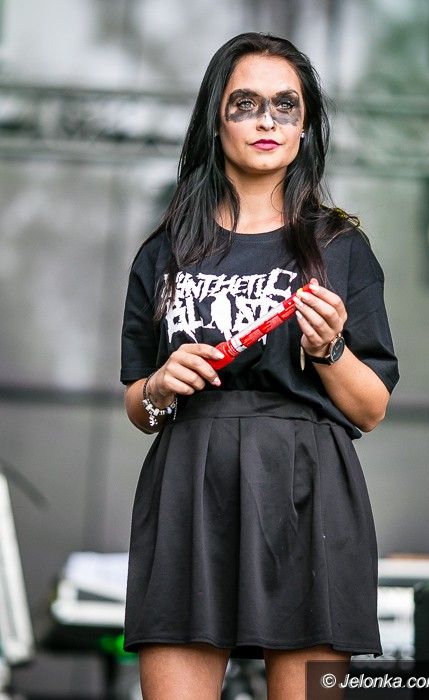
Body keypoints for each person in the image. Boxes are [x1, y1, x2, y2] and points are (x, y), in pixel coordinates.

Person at [120, 32, 399, 700]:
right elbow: (139, 407)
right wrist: (160, 385)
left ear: (305, 128)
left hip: (308, 493)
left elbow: (370, 409)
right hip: (190, 489)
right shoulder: (165, 250)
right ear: (215, 122)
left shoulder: (341, 246)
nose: (267, 120)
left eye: (285, 105)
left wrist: (329, 350)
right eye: (245, 104)